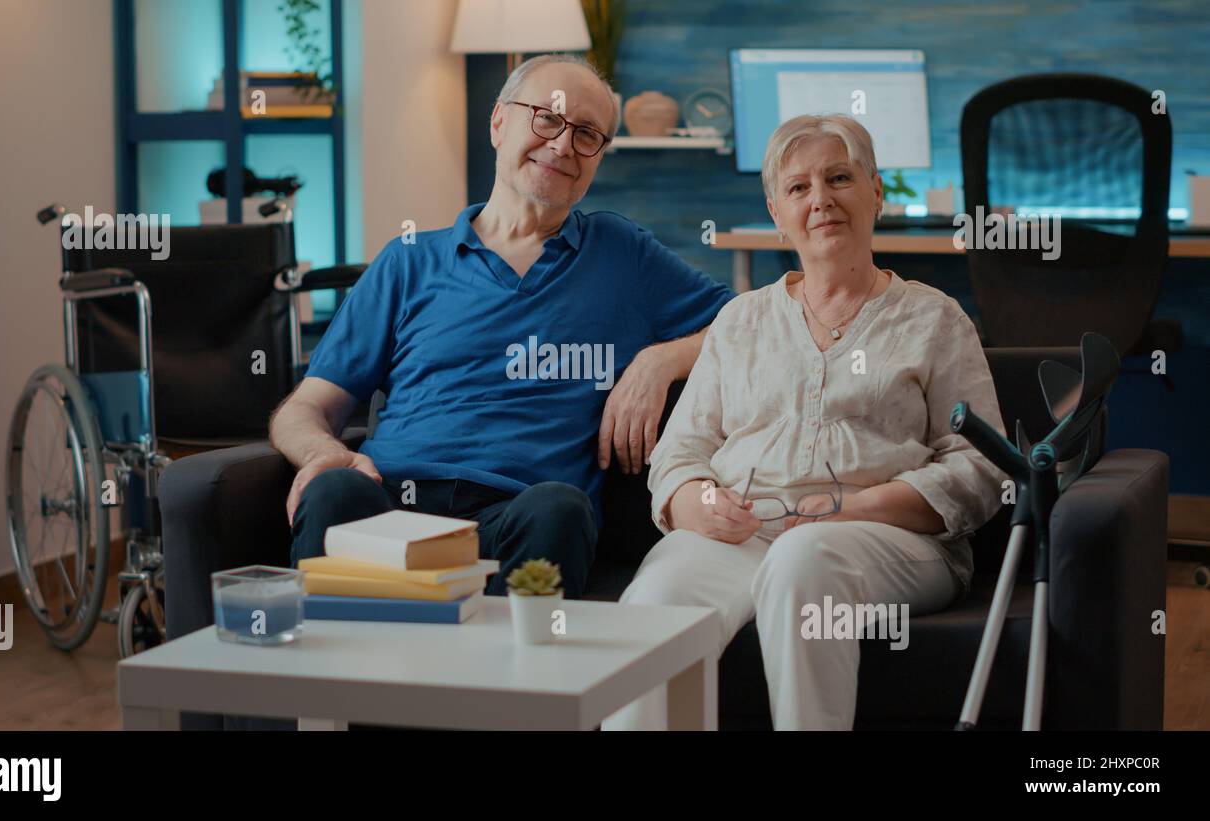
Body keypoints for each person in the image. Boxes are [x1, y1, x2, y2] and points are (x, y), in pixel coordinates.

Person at [269, 54, 733, 596]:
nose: (562, 144)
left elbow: (753, 321)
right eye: (547, 118)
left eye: (587, 134)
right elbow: (306, 408)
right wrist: (323, 454)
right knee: (333, 491)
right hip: (392, 502)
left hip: (520, 514)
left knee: (560, 507)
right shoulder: (409, 260)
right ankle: (336, 677)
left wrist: (661, 359)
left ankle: (505, 677)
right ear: (498, 122)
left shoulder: (623, 254)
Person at [602, 114, 1008, 730]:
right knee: (657, 597)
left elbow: (980, 467)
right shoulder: (740, 322)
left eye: (839, 178)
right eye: (798, 187)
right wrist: (695, 502)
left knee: (804, 559)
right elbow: (680, 452)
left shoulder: (935, 319)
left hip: (890, 544)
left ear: (875, 190)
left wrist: (857, 509)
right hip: (742, 538)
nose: (820, 199)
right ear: (776, 210)